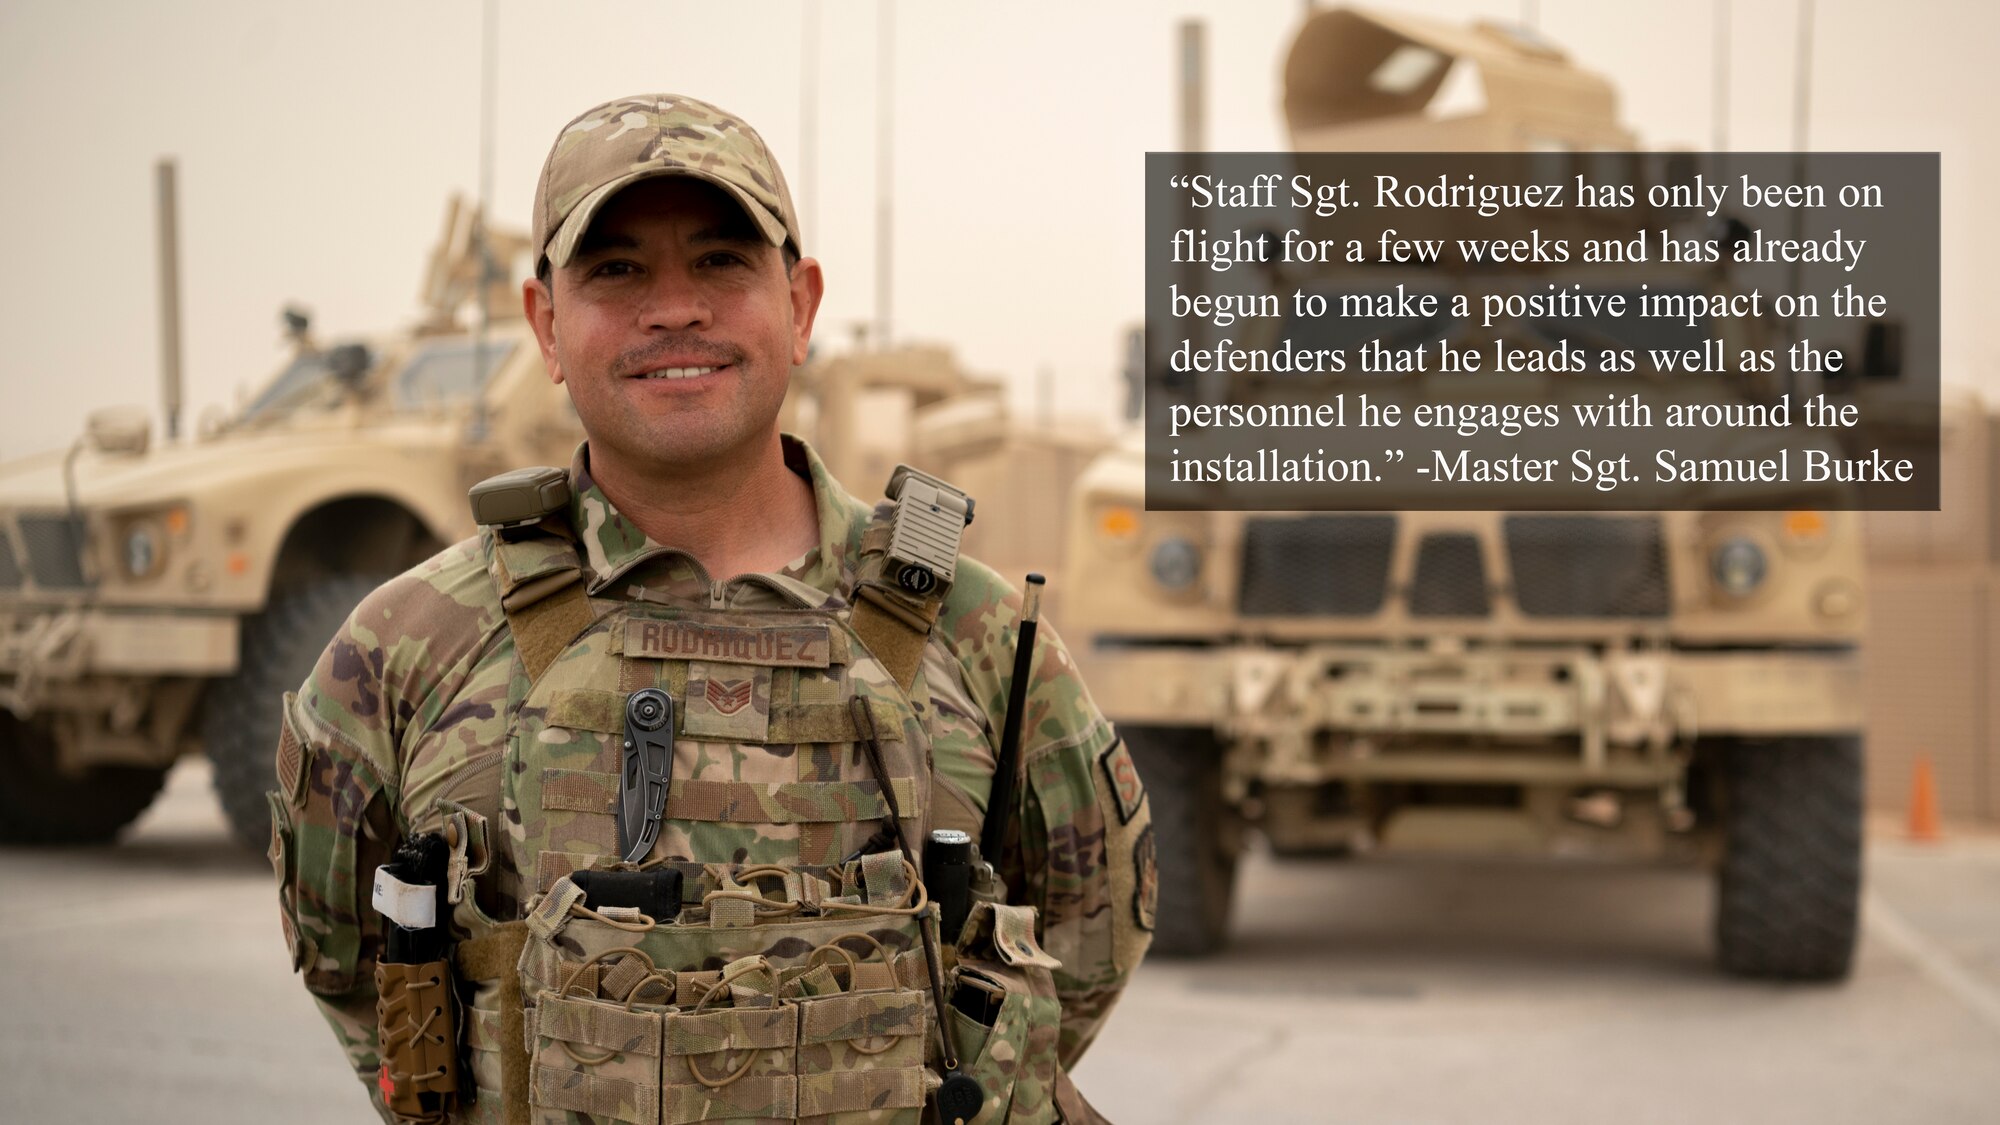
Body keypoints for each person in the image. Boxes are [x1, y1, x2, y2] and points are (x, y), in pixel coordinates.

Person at [269, 93, 1154, 1124]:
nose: (672, 307)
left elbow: (1088, 939)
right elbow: (347, 954)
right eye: (615, 270)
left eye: (720, 261)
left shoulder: (980, 632)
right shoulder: (406, 644)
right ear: (545, 325)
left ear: (801, 304)